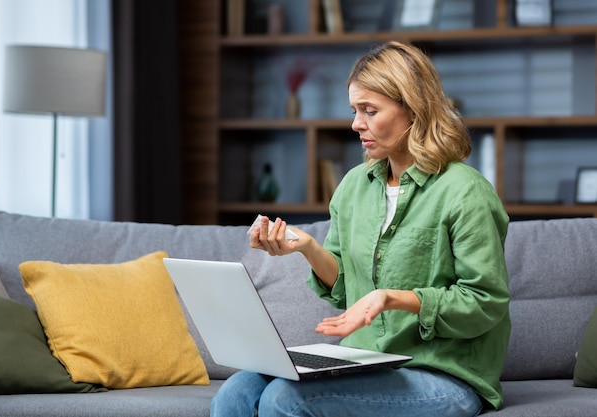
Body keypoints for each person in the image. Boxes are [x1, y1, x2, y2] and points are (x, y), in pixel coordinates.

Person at [211, 40, 510, 417]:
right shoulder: (355, 185)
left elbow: (485, 302)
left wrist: (393, 297)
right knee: (237, 391)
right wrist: (307, 247)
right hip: (367, 360)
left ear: (414, 109)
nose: (356, 123)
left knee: (283, 400)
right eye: (355, 110)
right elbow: (345, 291)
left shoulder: (465, 192)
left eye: (370, 110)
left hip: (443, 373)